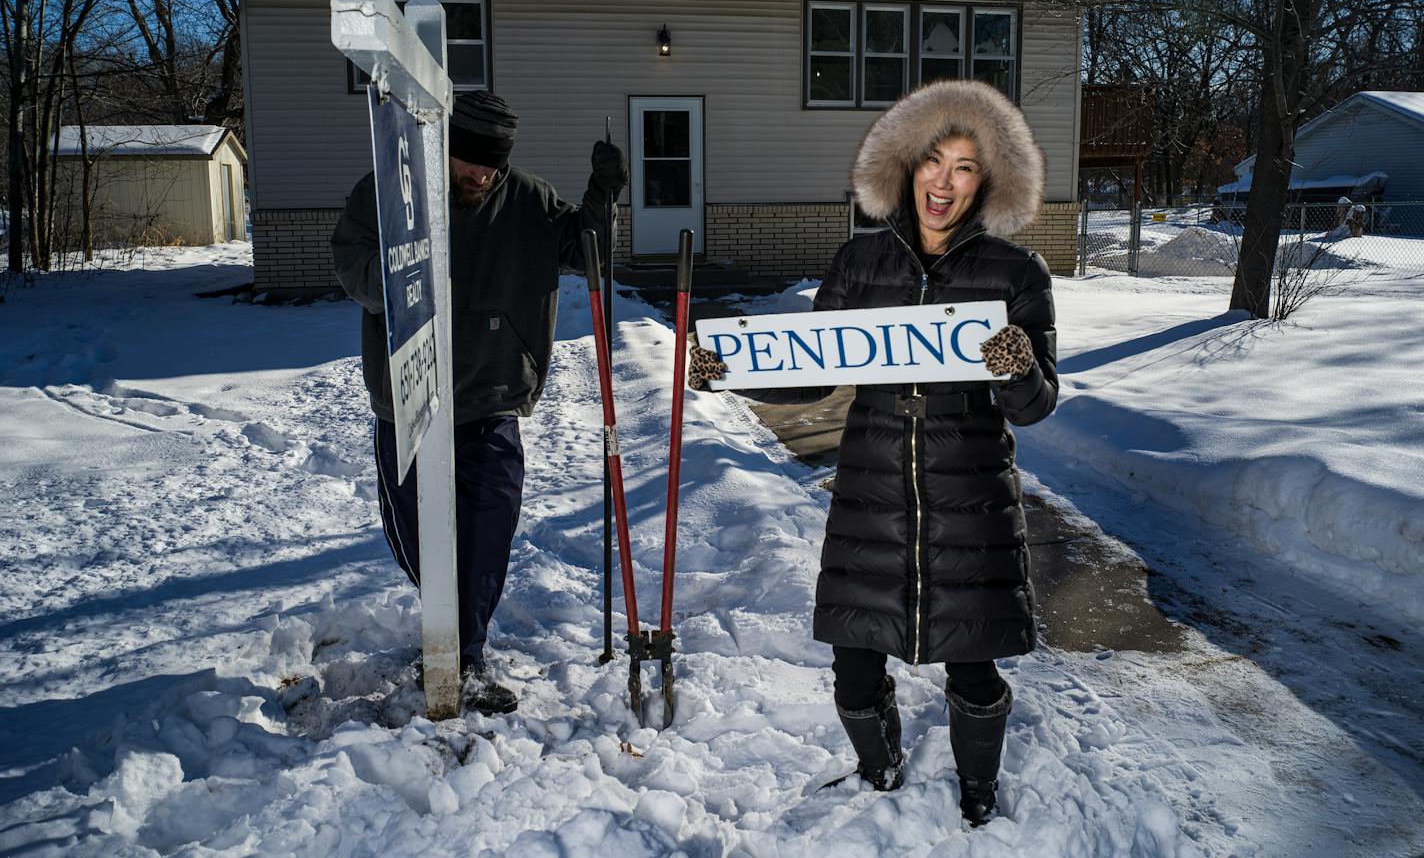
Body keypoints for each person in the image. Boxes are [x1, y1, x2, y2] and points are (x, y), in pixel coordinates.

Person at [688, 79, 1056, 826]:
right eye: (932, 161)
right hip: (873, 480)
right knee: (855, 655)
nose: (943, 182)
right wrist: (735, 369)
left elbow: (1037, 403)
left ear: (988, 182)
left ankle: (978, 787)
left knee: (973, 659)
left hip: (970, 485)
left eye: (964, 167)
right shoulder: (860, 264)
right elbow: (814, 369)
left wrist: (1018, 363)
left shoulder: (1017, 274)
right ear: (906, 166)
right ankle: (877, 763)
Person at [331, 90, 627, 715]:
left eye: (491, 166)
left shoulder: (528, 200)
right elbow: (354, 268)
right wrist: (408, 273)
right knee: (419, 537)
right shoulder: (389, 191)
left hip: (492, 393)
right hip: (409, 400)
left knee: (488, 528)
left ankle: (462, 655)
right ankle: (452, 633)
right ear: (444, 150)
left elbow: (588, 252)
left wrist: (603, 194)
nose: (481, 177)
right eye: (470, 165)